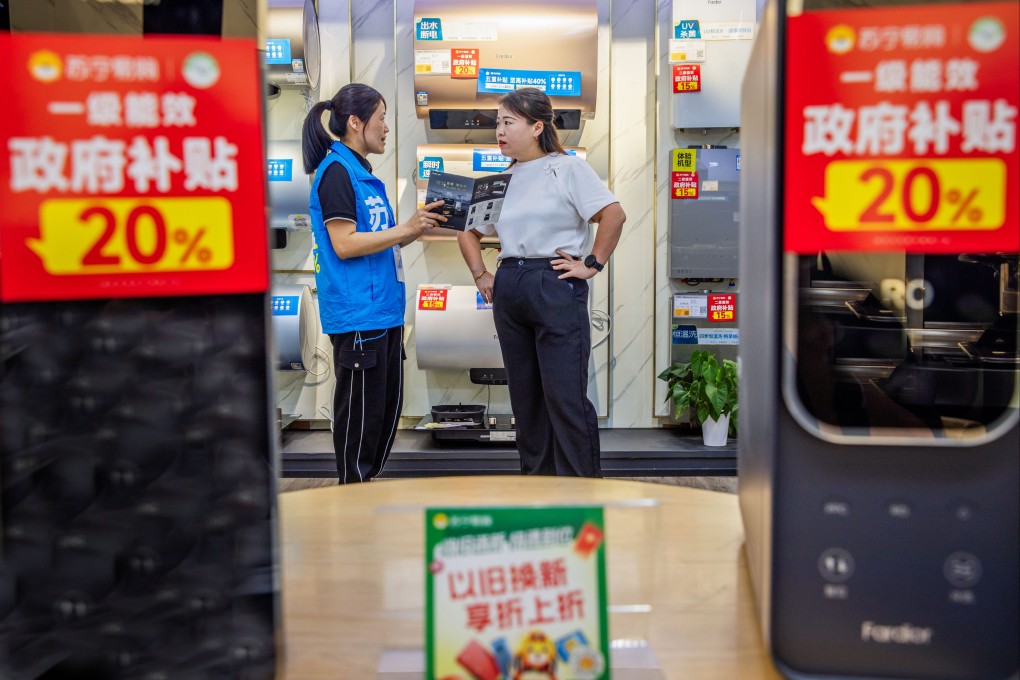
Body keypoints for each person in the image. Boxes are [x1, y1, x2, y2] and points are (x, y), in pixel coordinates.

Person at [457, 87, 626, 477]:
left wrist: (591, 264)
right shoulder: (499, 180)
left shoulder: (567, 167)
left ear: (536, 126)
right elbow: (467, 231)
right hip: (511, 283)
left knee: (563, 397)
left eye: (508, 122)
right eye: (497, 123)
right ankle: (537, 485)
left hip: (552, 282)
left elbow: (613, 215)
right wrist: (481, 273)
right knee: (526, 399)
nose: (498, 131)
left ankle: (581, 490)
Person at [301, 83, 446, 483]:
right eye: (381, 118)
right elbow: (344, 245)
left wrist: (413, 229)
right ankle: (352, 496)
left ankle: (364, 492)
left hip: (381, 312)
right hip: (358, 317)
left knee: (382, 416)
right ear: (355, 122)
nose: (386, 128)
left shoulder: (360, 174)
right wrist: (406, 230)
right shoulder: (335, 173)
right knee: (361, 420)